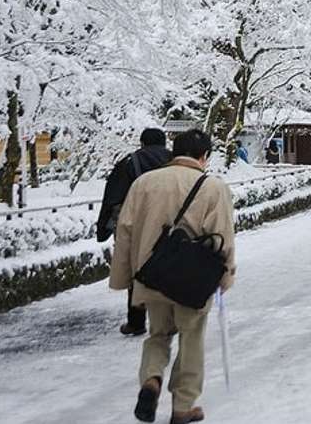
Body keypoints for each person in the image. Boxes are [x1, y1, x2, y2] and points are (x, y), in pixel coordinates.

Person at [109, 129, 236, 424]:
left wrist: (125, 278)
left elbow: (124, 232)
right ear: (204, 156)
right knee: (191, 338)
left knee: (158, 334)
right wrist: (225, 277)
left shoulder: (143, 184)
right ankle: (183, 406)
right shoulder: (213, 187)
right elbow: (223, 236)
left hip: (153, 274)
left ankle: (151, 380)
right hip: (192, 280)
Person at [97, 127, 173, 336]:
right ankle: (169, 319)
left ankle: (136, 321)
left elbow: (112, 197)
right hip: (170, 224)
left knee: (136, 271)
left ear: (142, 143)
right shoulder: (176, 162)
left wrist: (103, 227)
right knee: (170, 267)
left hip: (137, 225)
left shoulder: (129, 163)